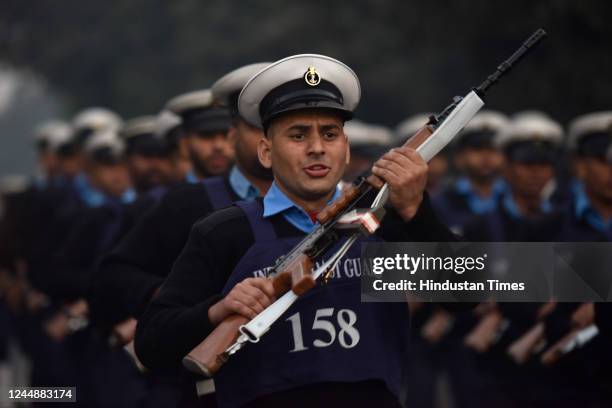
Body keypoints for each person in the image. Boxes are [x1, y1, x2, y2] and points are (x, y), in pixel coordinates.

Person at [135, 54, 457, 408]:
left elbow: (471, 295)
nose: (317, 147)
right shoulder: (226, 232)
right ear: (266, 152)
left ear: (346, 150)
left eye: (330, 134)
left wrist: (416, 212)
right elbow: (152, 344)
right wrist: (219, 310)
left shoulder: (385, 224)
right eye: (298, 135)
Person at [89, 63, 272, 407]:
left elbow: (402, 303)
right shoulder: (189, 207)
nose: (313, 146)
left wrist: (409, 218)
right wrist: (178, 301)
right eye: (260, 126)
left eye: (326, 132)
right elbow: (116, 280)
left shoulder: (349, 212)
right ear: (236, 134)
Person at [432, 111, 508, 234]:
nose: (486, 155)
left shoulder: (516, 198)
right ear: (459, 157)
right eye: (477, 148)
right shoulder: (441, 203)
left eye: (493, 149)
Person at [165, 89, 235, 182]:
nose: (218, 146)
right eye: (207, 136)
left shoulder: (256, 194)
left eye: (227, 135)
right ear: (184, 145)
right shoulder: (170, 196)